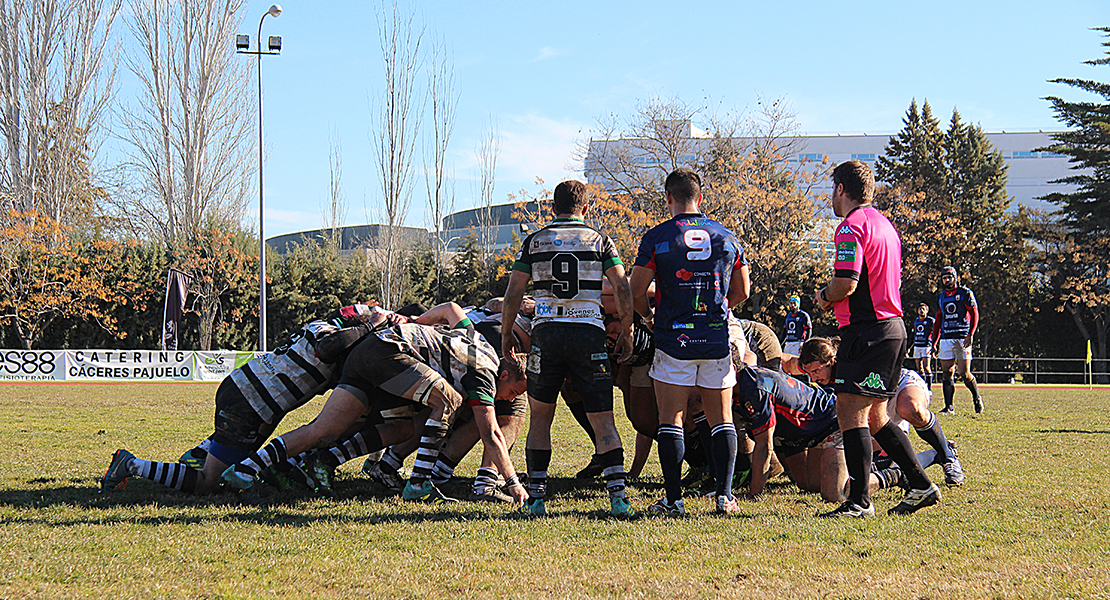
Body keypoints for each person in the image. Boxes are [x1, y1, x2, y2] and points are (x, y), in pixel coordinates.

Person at [220, 314, 529, 507]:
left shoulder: (479, 343)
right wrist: (513, 481)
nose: (508, 398)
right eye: (513, 392)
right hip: (388, 352)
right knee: (448, 400)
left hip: (368, 353)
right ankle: (419, 484)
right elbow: (491, 433)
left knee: (325, 431)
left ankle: (244, 470)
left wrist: (412, 321)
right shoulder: (485, 372)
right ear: (505, 375)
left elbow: (450, 312)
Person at [98, 304, 391, 496]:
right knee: (211, 483)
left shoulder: (323, 329)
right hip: (247, 400)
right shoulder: (326, 331)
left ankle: (202, 453)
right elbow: (327, 348)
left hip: (254, 401)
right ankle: (131, 464)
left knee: (232, 469)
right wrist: (371, 326)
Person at [501, 179, 637, 517]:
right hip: (588, 333)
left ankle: (536, 499)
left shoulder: (534, 242)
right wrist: (627, 328)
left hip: (547, 332)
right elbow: (621, 284)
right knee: (604, 419)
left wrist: (507, 331)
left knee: (541, 418)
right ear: (586, 209)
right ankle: (618, 499)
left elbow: (515, 288)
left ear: (552, 208)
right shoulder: (601, 242)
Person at [812, 160, 939, 518]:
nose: (830, 197)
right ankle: (920, 484)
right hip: (893, 328)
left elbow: (846, 283)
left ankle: (859, 502)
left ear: (840, 189)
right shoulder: (886, 226)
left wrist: (824, 295)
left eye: (831, 189)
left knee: (849, 411)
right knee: (876, 417)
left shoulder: (850, 228)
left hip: (867, 331)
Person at [631, 167, 750, 516]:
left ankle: (673, 500)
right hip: (714, 337)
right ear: (700, 198)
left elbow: (637, 289)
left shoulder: (656, 237)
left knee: (671, 419)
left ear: (668, 197)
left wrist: (649, 317)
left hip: (673, 337)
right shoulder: (727, 237)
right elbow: (742, 290)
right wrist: (716, 308)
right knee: (722, 419)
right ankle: (725, 497)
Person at [799, 337, 965, 490]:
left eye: (816, 371)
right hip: (876, 409)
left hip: (896, 385)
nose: (813, 379)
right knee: (884, 462)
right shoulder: (826, 380)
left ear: (831, 361)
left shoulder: (849, 362)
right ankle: (933, 455)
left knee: (912, 409)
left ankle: (947, 456)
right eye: (809, 373)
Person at [931, 266, 983, 414]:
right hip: (946, 338)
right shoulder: (941, 297)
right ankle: (949, 407)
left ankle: (977, 398)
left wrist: (971, 334)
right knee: (947, 373)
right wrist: (934, 342)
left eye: (950, 277)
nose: (947, 280)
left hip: (962, 337)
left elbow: (974, 313)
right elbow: (938, 319)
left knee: (964, 373)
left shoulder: (965, 293)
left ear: (955, 277)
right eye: (944, 278)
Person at [911, 303, 935, 389]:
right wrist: (909, 348)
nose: (921, 311)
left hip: (926, 346)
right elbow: (913, 334)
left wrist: (934, 345)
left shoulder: (930, 321)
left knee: (926, 367)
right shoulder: (916, 321)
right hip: (917, 345)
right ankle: (922, 387)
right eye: (920, 309)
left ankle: (929, 388)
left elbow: (935, 333)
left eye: (923, 309)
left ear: (927, 311)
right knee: (919, 368)